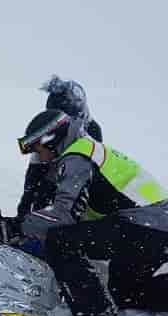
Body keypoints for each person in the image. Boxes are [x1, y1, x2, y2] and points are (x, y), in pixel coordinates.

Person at [0, 109, 168, 316]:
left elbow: (63, 216)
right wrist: (21, 223)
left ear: (52, 139)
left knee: (60, 240)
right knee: (124, 292)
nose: (38, 156)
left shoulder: (76, 159)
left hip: (146, 226)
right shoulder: (85, 149)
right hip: (161, 231)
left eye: (37, 149)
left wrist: (13, 227)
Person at [17, 76, 103, 219]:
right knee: (40, 192)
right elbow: (33, 179)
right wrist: (22, 217)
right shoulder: (46, 139)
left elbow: (84, 177)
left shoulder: (93, 131)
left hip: (76, 178)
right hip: (52, 169)